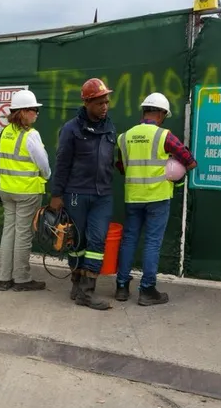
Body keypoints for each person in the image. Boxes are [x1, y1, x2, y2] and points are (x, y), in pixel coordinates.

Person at [114, 92, 197, 306]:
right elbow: (189, 160)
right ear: (160, 114)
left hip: (133, 197)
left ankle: (121, 287)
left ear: (144, 111)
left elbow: (122, 166)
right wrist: (175, 167)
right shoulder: (164, 136)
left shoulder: (124, 137)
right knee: (152, 243)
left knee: (129, 240)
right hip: (158, 197)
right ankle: (147, 290)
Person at [50, 78, 117, 311]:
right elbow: (62, 163)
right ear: (87, 102)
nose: (105, 106)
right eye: (100, 102)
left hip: (103, 196)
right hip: (76, 193)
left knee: (97, 240)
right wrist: (56, 195)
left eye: (107, 102)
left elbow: (110, 159)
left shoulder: (110, 127)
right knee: (77, 242)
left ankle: (88, 292)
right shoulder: (71, 129)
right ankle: (77, 284)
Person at [0, 90, 51, 292]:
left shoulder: (6, 132)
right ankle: (21, 279)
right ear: (24, 112)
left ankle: (4, 278)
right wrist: (46, 176)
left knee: (8, 232)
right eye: (34, 110)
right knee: (23, 235)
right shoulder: (31, 135)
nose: (37, 113)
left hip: (7, 190)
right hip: (27, 192)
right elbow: (44, 164)